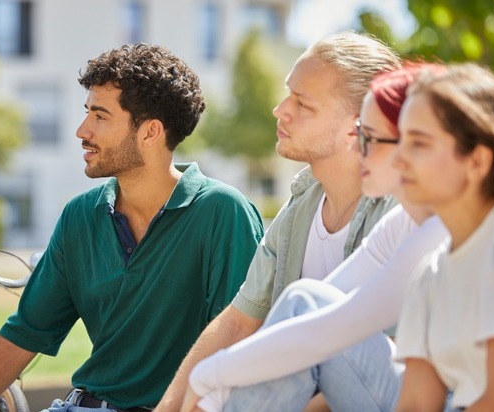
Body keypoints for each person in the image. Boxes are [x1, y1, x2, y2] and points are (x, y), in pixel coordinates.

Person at [0, 43, 264, 412]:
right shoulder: (80, 215)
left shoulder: (222, 213)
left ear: (150, 132)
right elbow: (24, 333)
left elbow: (239, 349)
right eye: (87, 113)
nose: (82, 130)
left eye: (100, 116)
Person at [182, 63, 450, 412]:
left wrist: (208, 380)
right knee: (305, 301)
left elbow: (326, 329)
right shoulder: (404, 224)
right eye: (359, 133)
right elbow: (316, 319)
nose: (359, 149)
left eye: (369, 137)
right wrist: (211, 385)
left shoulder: (459, 234)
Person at [156, 31, 401, 412]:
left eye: (302, 103)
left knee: (307, 311)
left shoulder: (402, 209)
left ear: (359, 123)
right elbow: (237, 323)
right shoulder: (301, 204)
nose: (280, 109)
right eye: (289, 93)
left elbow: (388, 359)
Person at [394, 63, 494, 411]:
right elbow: (416, 403)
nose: (399, 158)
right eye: (401, 140)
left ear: (477, 161)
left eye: (419, 143)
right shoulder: (428, 276)